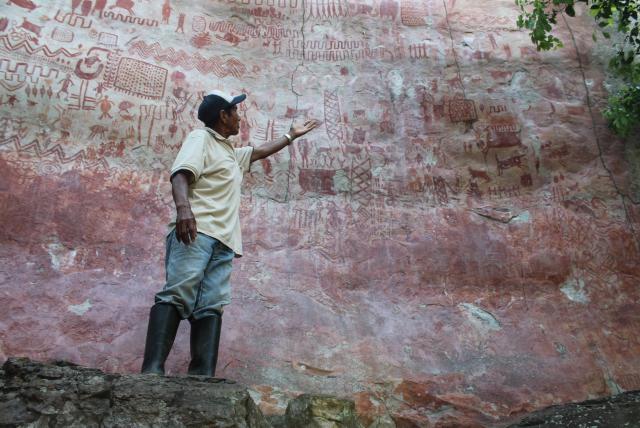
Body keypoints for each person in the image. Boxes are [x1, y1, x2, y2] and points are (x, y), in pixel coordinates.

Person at [141, 90, 319, 377]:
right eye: (236, 111)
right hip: (196, 233)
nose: (240, 117)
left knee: (211, 304)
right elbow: (180, 174)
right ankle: (151, 371)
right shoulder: (201, 139)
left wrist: (290, 135)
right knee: (177, 294)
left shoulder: (229, 153)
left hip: (224, 241)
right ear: (223, 116)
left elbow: (258, 151)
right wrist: (184, 209)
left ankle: (201, 377)